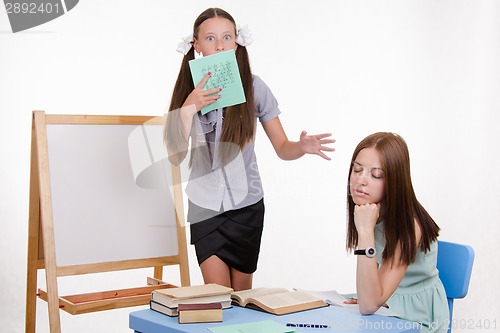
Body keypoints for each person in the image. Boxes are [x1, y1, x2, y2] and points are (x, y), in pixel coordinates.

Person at [164, 7, 335, 291]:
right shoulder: (187, 92)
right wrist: (186, 111)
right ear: (196, 45)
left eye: (227, 37)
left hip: (246, 206)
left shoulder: (255, 88)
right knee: (219, 297)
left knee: (242, 299)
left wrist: (302, 147)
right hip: (204, 207)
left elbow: (282, 147)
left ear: (237, 41)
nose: (219, 45)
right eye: (210, 38)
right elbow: (175, 157)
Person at [345, 132, 449, 332]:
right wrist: (370, 295)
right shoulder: (370, 210)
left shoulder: (410, 225)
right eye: (357, 170)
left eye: (375, 175)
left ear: (395, 181)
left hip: (418, 318)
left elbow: (368, 305)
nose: (361, 180)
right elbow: (371, 298)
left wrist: (365, 232)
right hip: (386, 303)